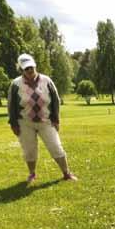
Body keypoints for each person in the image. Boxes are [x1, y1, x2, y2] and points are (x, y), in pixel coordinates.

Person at [7, 53, 77, 183]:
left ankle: (66, 173)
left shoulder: (46, 81)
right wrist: (13, 124)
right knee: (29, 149)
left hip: (46, 121)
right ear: (21, 70)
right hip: (25, 123)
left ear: (35, 66)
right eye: (26, 68)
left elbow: (55, 100)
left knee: (55, 146)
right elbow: (11, 105)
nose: (29, 70)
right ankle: (32, 174)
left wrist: (56, 119)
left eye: (31, 67)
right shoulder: (15, 84)